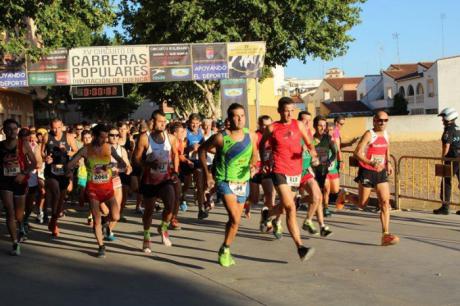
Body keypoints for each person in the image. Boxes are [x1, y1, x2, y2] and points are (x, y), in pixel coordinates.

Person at [199, 103, 258, 267]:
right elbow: (202, 151)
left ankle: (225, 248)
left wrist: (253, 166)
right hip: (224, 181)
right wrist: (208, 174)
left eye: (242, 116)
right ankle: (225, 250)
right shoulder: (220, 137)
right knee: (234, 218)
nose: (240, 119)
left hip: (243, 182)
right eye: (236, 116)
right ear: (229, 119)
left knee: (234, 221)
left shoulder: (251, 136)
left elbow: (255, 155)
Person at [259, 97, 317, 261]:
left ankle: (268, 213)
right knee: (291, 207)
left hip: (295, 172)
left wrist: (312, 152)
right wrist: (264, 161)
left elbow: (309, 142)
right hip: (279, 170)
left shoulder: (298, 125)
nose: (289, 113)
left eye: (292, 110)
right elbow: (262, 144)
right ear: (279, 111)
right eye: (286, 110)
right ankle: (300, 247)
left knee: (285, 208)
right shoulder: (272, 128)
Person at [66, 124, 127, 258]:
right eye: (102, 137)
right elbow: (69, 164)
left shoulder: (109, 148)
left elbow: (122, 163)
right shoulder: (85, 150)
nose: (104, 140)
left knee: (116, 216)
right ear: (95, 135)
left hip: (108, 189)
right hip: (93, 190)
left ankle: (106, 223)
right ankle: (101, 246)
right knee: (96, 219)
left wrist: (111, 165)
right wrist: (69, 172)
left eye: (106, 137)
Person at [133, 110, 179, 253]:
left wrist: (176, 171)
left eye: (164, 122)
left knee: (170, 206)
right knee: (149, 211)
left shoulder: (170, 138)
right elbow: (136, 159)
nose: (163, 124)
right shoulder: (144, 138)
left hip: (165, 179)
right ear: (152, 122)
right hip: (149, 181)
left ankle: (163, 228)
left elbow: (176, 155)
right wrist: (147, 165)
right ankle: (146, 237)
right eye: (160, 122)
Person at [353, 111, 399, 246]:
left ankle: (385, 234)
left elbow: (387, 150)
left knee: (385, 203)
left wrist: (388, 163)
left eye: (385, 120)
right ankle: (346, 196)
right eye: (380, 120)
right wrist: (370, 162)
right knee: (362, 204)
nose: (383, 123)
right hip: (367, 171)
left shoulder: (386, 134)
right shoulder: (369, 134)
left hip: (380, 172)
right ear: (374, 121)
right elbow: (357, 153)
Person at [0, 119, 37, 255]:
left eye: (15, 129)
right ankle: (15, 243)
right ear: (4, 130)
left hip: (19, 181)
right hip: (4, 182)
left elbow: (33, 163)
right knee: (10, 212)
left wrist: (24, 173)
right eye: (9, 129)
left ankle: (21, 225)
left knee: (18, 214)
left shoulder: (23, 144)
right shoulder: (0, 146)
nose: (12, 132)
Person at [42, 118, 78, 237]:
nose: (56, 130)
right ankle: (54, 222)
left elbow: (76, 151)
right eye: (53, 127)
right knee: (56, 193)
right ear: (50, 127)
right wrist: (46, 157)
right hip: (51, 172)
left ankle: (54, 220)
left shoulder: (68, 137)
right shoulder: (47, 137)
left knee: (60, 199)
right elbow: (42, 152)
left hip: (64, 172)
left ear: (62, 126)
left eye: (58, 127)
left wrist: (67, 152)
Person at [300, 115, 333, 237]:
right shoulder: (296, 136)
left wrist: (315, 160)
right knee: (285, 206)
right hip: (294, 172)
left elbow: (313, 154)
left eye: (309, 121)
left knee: (318, 197)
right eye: (305, 120)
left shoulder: (311, 137)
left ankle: (320, 225)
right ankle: (271, 215)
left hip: (309, 172)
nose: (307, 123)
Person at [433, 107, 460, 215]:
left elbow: (446, 145)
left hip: (452, 159)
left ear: (448, 118)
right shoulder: (458, 128)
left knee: (446, 182)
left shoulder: (448, 130)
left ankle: (445, 207)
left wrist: (443, 157)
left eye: (443, 118)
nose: (442, 120)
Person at [107, 126, 132, 240]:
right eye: (112, 135)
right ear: (107, 136)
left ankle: (109, 230)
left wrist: (128, 169)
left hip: (117, 179)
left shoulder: (121, 150)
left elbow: (127, 164)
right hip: (104, 180)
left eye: (117, 135)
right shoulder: (104, 149)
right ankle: (103, 224)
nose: (115, 137)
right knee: (107, 209)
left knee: (117, 210)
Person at [181, 113, 206, 219]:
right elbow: (181, 149)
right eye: (192, 123)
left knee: (199, 185)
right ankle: (182, 197)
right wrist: (190, 148)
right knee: (186, 184)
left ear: (200, 123)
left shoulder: (201, 132)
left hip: (197, 161)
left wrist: (201, 147)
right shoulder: (185, 132)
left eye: (197, 123)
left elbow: (205, 145)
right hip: (187, 161)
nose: (195, 125)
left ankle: (201, 210)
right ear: (189, 123)